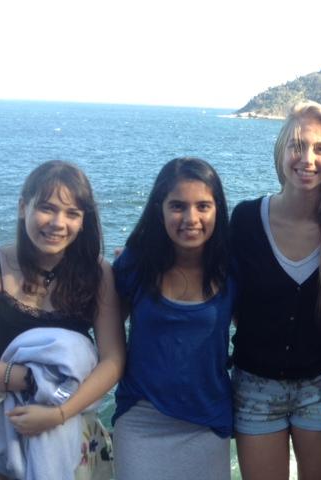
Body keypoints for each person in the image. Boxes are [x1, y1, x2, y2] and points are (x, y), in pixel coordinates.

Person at [230, 100, 321, 480]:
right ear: (281, 152)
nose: (307, 158)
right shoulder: (245, 220)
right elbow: (218, 287)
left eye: (320, 148)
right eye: (296, 145)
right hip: (255, 388)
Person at [0, 160, 125, 479]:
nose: (57, 223)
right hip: (3, 437)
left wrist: (59, 412)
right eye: (47, 208)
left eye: (72, 214)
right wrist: (32, 379)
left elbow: (114, 358)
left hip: (74, 434)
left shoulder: (97, 273)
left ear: (83, 222)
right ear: (23, 207)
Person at [111, 157, 235, 480]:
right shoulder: (135, 266)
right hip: (141, 419)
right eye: (177, 206)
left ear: (217, 209)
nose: (190, 218)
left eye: (203, 206)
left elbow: (260, 326)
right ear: (160, 209)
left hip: (207, 421)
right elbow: (96, 333)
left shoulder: (232, 268)